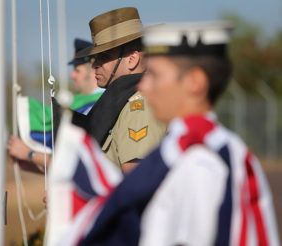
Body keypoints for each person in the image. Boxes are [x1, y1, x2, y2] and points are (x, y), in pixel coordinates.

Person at [80, 22, 280, 246]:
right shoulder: (186, 149)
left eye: (155, 75)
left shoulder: (201, 162)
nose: (144, 85)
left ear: (195, 82)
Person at [74, 7, 166, 173]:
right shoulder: (121, 103)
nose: (94, 64)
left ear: (132, 59)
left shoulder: (139, 107)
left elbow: (137, 182)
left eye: (104, 57)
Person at [8, 38, 103, 171]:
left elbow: (80, 165)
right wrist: (30, 165)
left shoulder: (100, 106)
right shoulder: (80, 103)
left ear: (93, 70)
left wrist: (30, 154)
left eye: (77, 70)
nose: (72, 76)